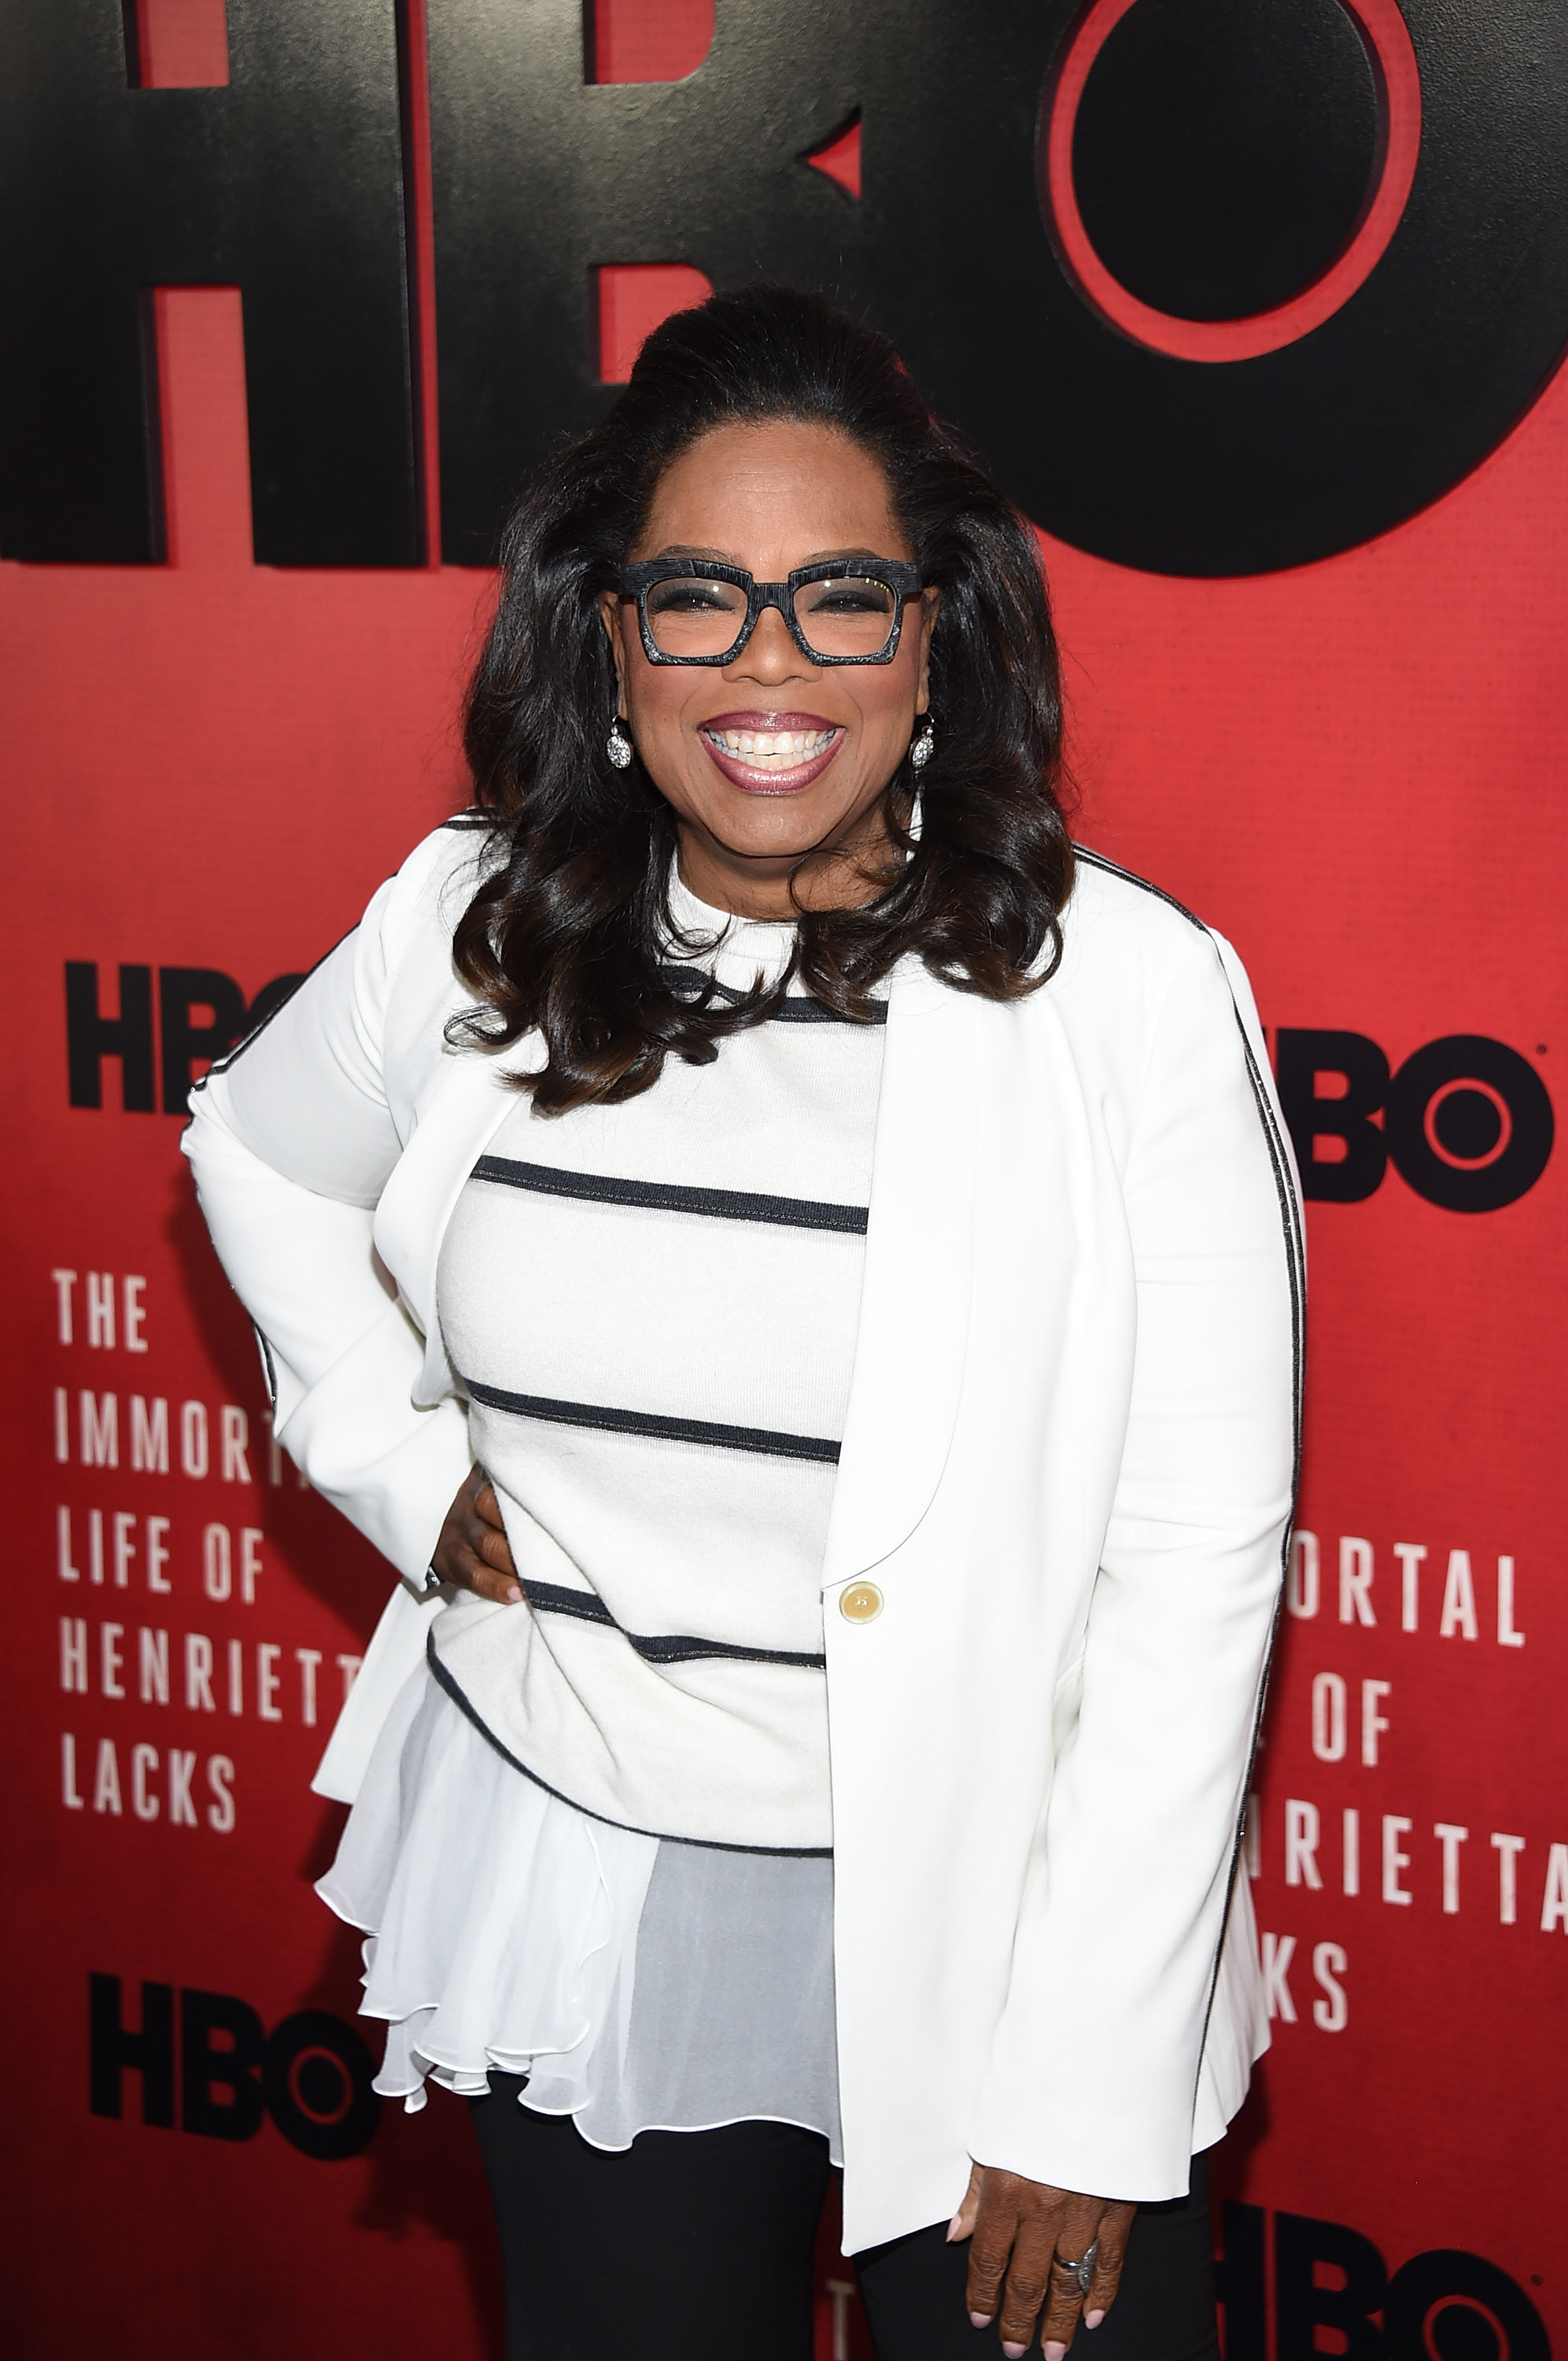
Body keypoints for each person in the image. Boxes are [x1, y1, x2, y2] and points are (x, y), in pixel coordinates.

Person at [185, 285, 1301, 2361]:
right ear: (608, 643)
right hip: (600, 1880)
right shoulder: (477, 921)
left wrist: (1080, 2068)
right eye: (695, 598)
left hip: (1000, 1923)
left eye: (836, 601)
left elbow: (1191, 1571)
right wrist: (388, 1456)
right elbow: (256, 1155)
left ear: (933, 647)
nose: (764, 666)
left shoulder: (1123, 996)